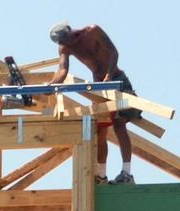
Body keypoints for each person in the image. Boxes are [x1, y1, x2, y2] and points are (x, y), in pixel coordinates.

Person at [47, 22, 141, 184]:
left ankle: (126, 173)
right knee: (100, 130)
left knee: (119, 124)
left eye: (67, 41)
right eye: (62, 44)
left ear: (72, 34)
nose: (66, 45)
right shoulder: (65, 47)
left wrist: (109, 76)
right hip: (99, 86)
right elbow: (63, 70)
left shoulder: (92, 31)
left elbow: (113, 53)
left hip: (117, 80)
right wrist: (51, 86)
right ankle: (101, 176)